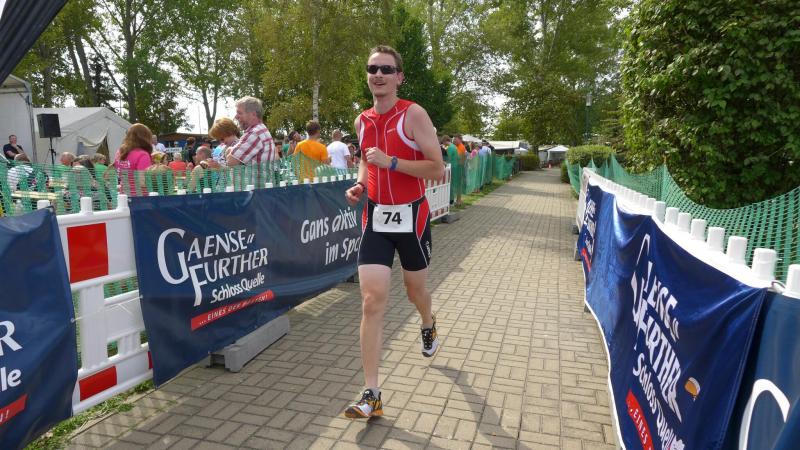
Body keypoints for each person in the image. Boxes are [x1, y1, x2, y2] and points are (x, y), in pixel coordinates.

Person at [342, 45, 444, 419]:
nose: (379, 75)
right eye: (373, 69)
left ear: (399, 77)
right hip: (376, 219)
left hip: (412, 217)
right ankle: (372, 394)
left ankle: (428, 322)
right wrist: (360, 184)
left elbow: (437, 169)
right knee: (371, 300)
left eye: (387, 69)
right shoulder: (362, 120)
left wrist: (394, 162)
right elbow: (366, 165)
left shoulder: (413, 114)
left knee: (415, 291)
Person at [226, 96, 277, 167]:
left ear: (253, 114)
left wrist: (229, 150)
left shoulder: (254, 133)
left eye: (239, 113)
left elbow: (231, 162)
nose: (236, 117)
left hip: (256, 174)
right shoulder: (261, 129)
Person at [113, 123, 154, 196]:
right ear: (145, 138)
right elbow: (143, 182)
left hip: (123, 196)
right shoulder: (143, 155)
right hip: (140, 197)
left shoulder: (119, 152)